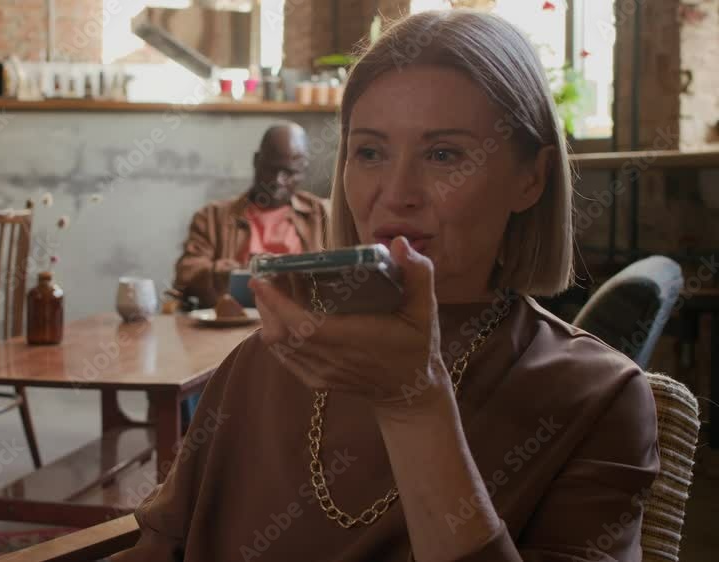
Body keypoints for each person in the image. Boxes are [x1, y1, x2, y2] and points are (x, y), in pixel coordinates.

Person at [114, 10, 659, 562]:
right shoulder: (267, 358)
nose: (396, 194)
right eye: (370, 152)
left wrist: (414, 403)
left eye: (444, 154)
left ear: (532, 177)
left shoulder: (599, 399)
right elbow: (158, 547)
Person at [171, 121, 330, 310]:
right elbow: (186, 275)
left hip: (305, 326)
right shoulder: (211, 218)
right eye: (271, 169)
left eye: (289, 172)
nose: (278, 180)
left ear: (303, 171)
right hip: (232, 327)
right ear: (256, 161)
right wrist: (235, 272)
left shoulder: (324, 215)